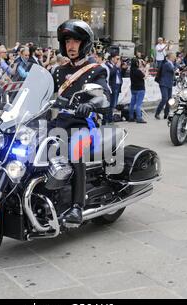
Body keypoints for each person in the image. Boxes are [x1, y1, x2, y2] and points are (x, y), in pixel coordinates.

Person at [52, 19, 111, 226]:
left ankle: (77, 206)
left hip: (84, 124)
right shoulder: (58, 71)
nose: (71, 46)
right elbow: (42, 94)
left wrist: (92, 104)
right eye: (67, 41)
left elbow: (104, 95)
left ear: (84, 43)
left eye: (76, 41)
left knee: (76, 151)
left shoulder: (96, 70)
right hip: (60, 123)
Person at [103, 52, 123, 124]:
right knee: (110, 104)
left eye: (119, 59)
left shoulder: (116, 65)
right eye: (117, 58)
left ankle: (110, 118)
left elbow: (119, 74)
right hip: (111, 87)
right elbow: (109, 74)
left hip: (117, 86)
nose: (118, 60)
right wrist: (116, 67)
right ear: (112, 58)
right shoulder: (107, 65)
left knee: (114, 104)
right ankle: (108, 119)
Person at [155, 52, 176, 120]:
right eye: (173, 57)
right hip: (164, 83)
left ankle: (166, 114)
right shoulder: (167, 64)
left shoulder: (171, 63)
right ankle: (157, 113)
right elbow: (172, 70)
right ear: (170, 57)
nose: (174, 58)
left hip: (169, 83)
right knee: (165, 98)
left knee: (169, 99)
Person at [129, 57, 148, 124]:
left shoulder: (131, 71)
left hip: (133, 88)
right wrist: (146, 70)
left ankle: (131, 116)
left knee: (132, 103)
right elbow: (145, 77)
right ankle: (139, 117)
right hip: (140, 88)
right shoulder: (138, 71)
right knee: (138, 104)